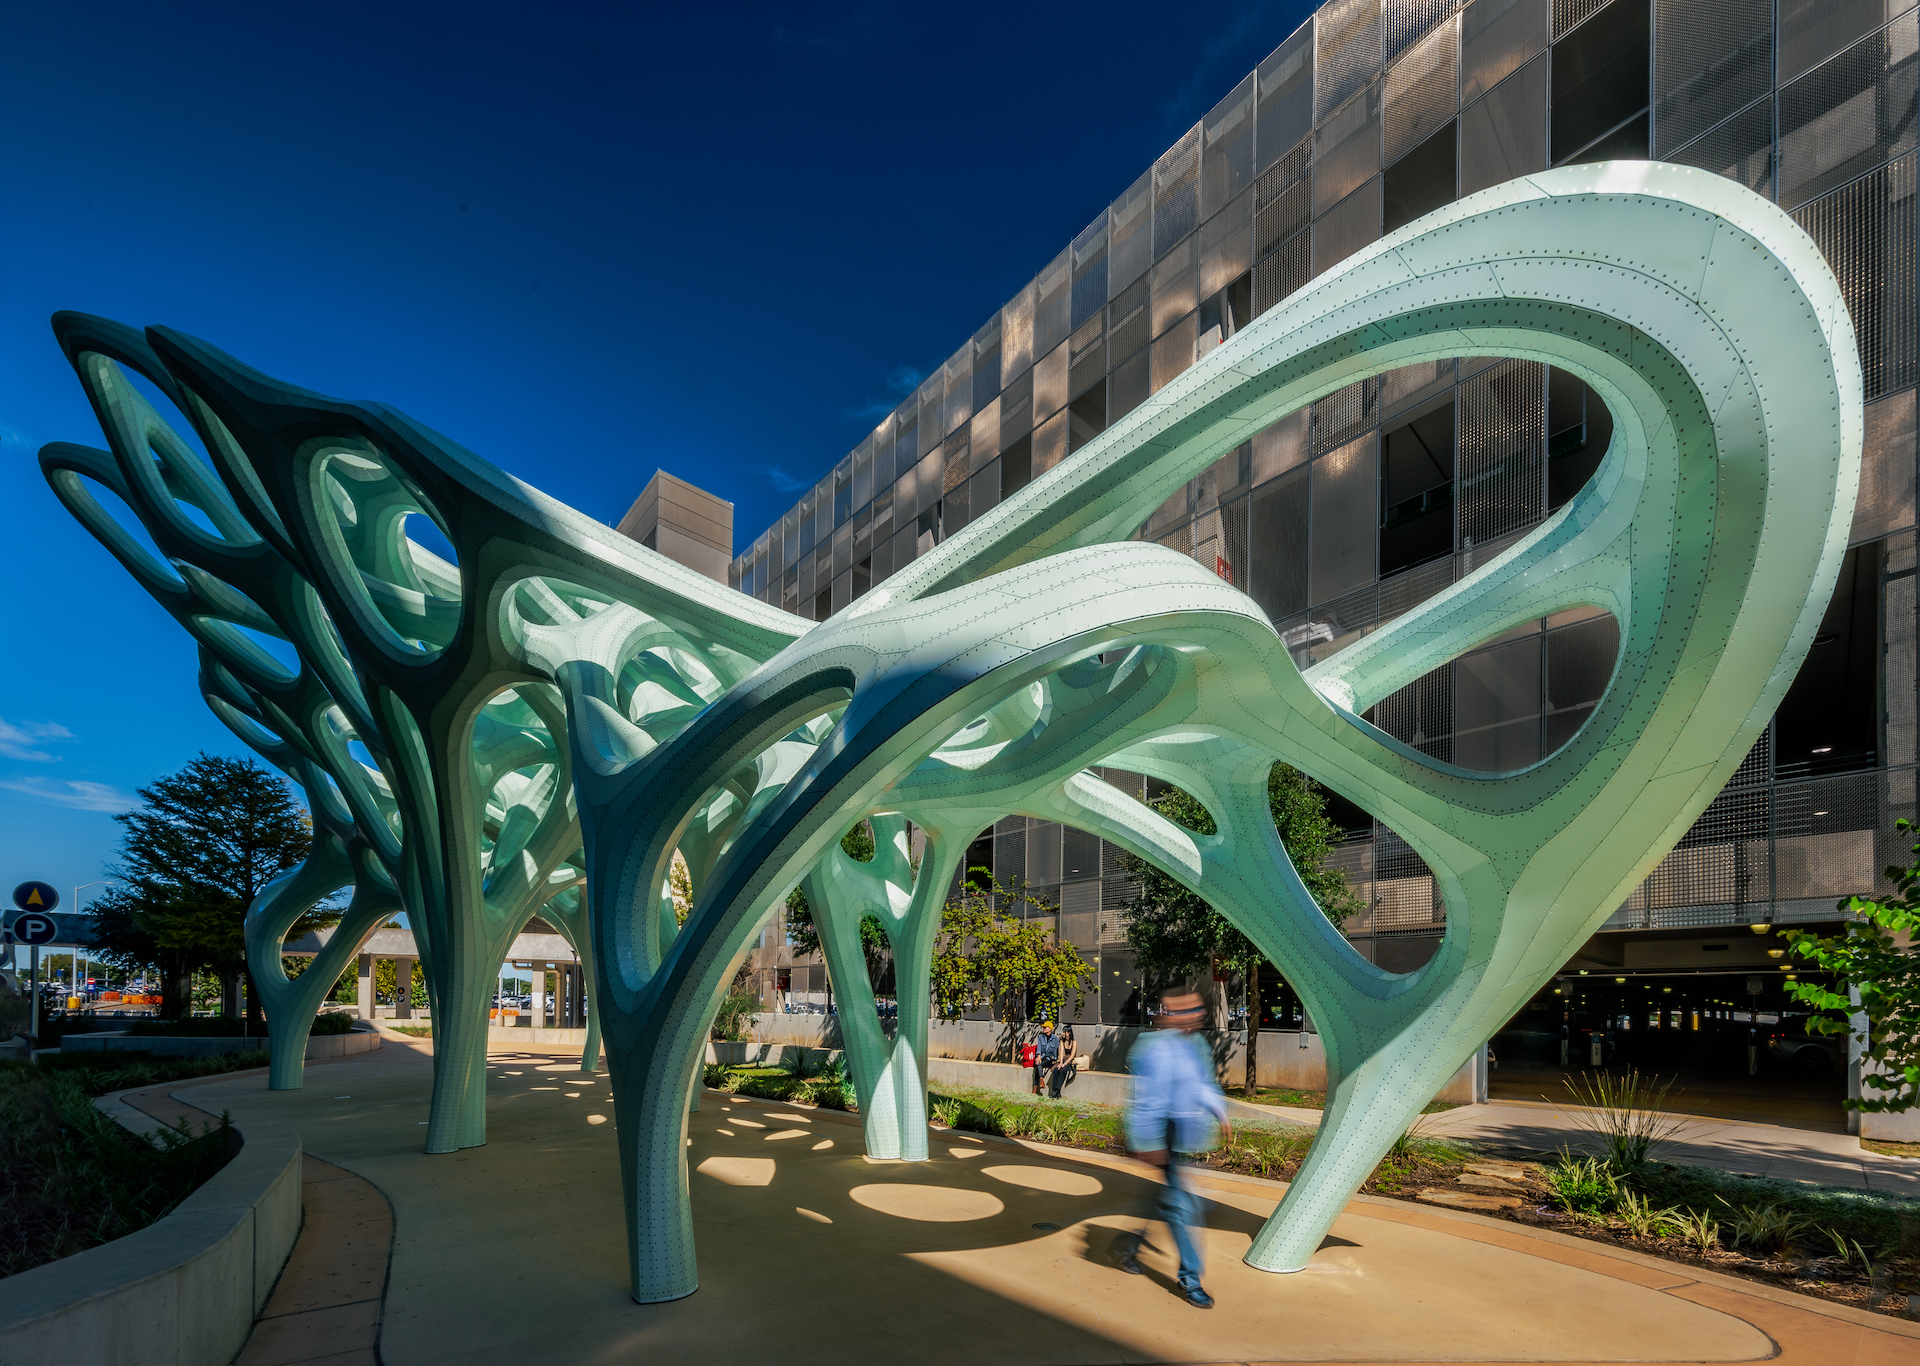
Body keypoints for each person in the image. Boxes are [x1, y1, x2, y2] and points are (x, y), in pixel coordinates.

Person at [1114, 990, 1229, 1309]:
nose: (1197, 1017)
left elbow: (1202, 1085)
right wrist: (1146, 1143)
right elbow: (1145, 1100)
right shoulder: (1150, 1048)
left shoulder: (1196, 1045)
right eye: (1191, 1013)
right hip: (1157, 1132)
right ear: (1173, 1017)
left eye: (1198, 1012)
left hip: (1178, 1131)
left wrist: (1219, 1112)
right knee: (1182, 1204)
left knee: (1164, 1199)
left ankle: (1127, 1246)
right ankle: (1190, 1279)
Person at [1048, 1023, 1078, 1098]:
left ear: (1069, 1033)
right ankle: (1054, 1091)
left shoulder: (1074, 1042)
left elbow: (1072, 1055)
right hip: (1064, 1059)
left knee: (1062, 1070)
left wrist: (1064, 1064)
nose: (1062, 1033)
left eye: (1064, 1032)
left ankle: (1057, 1090)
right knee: (1056, 1069)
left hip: (1070, 1061)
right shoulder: (1062, 1041)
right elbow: (1061, 1052)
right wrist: (1061, 1063)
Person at [1032, 1019, 1060, 1094]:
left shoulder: (1055, 1039)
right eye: (1043, 1027)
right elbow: (1039, 1048)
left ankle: (1035, 1087)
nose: (1043, 1029)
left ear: (1050, 1028)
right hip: (1041, 1057)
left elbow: (1056, 1051)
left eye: (1045, 1027)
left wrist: (1055, 1059)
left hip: (1049, 1059)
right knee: (1038, 1063)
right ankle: (1041, 1079)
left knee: (1038, 1065)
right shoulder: (1041, 1037)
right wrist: (1038, 1056)